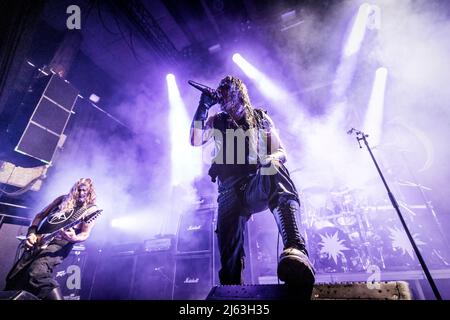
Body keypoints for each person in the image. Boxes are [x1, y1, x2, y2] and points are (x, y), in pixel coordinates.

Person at [189, 75, 315, 287]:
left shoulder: (260, 118)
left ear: (239, 93)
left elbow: (280, 151)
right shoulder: (217, 120)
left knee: (275, 168)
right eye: (220, 91)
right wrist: (203, 106)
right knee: (230, 259)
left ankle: (295, 249)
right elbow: (195, 139)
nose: (223, 95)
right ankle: (233, 295)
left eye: (227, 90)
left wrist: (269, 160)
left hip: (253, 184)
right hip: (227, 192)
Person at [4, 178, 100, 300]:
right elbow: (39, 216)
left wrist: (74, 237)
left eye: (84, 191)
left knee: (37, 273)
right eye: (79, 190)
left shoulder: (90, 209)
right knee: (14, 279)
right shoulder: (62, 199)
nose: (81, 193)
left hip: (59, 244)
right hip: (38, 240)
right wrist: (32, 233)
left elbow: (85, 234)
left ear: (90, 192)